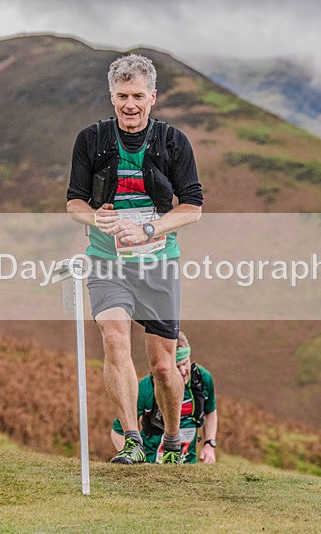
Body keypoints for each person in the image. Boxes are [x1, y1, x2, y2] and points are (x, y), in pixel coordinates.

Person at [67, 54, 204, 464]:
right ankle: (131, 440)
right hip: (106, 260)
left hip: (158, 262)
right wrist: (96, 217)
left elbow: (193, 207)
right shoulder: (90, 140)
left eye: (138, 95)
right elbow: (73, 202)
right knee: (113, 342)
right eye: (123, 95)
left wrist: (148, 229)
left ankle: (174, 440)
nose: (130, 104)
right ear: (112, 97)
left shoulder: (173, 142)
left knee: (163, 366)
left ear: (153, 97)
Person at [111, 331, 218, 464]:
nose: (183, 371)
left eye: (185, 363)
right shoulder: (146, 387)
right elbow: (117, 432)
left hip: (187, 465)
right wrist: (137, 465)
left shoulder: (202, 379)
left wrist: (209, 444)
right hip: (151, 464)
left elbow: (210, 411)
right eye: (177, 367)